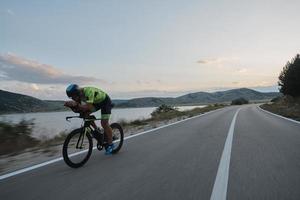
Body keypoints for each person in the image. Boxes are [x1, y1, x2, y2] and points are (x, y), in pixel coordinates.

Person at [64, 84, 114, 155]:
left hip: (105, 102)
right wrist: (71, 107)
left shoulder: (88, 92)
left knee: (104, 123)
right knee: (85, 114)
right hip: (96, 103)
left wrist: (76, 105)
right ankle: (97, 130)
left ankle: (111, 145)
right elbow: (80, 110)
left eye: (73, 96)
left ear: (78, 93)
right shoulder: (79, 96)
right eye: (71, 97)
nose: (73, 99)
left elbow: (88, 108)